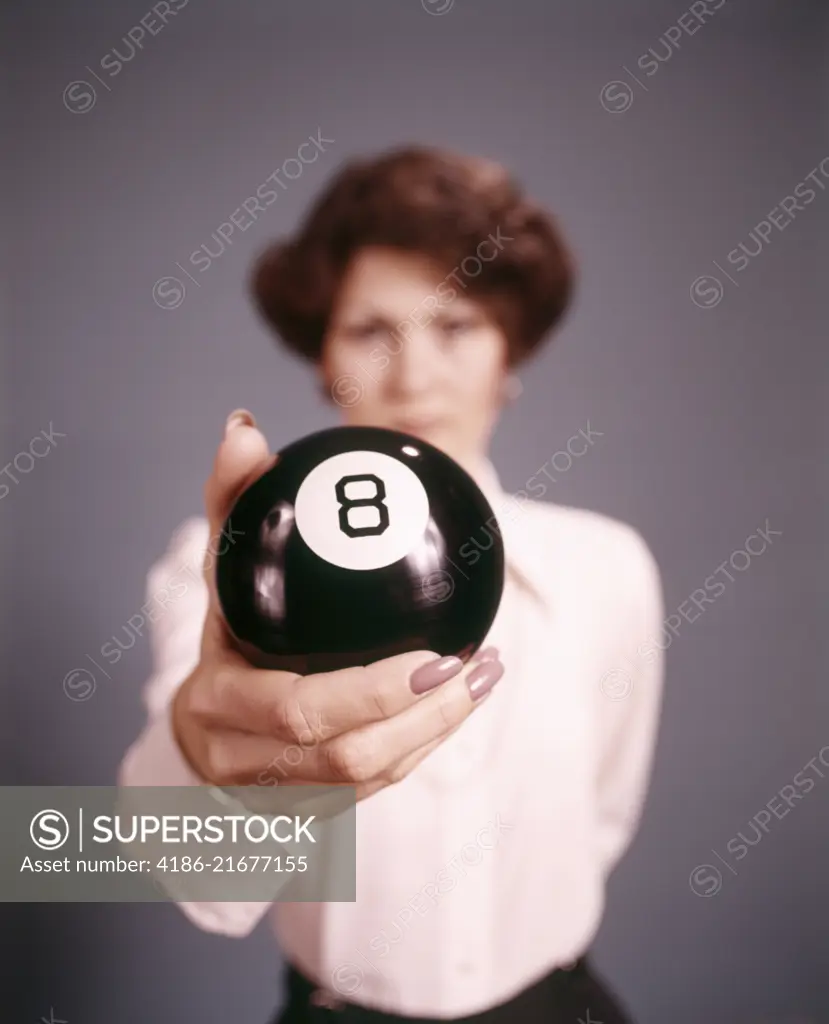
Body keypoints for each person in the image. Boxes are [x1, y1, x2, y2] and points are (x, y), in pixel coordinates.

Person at [119, 145, 665, 1024]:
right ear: (321, 357)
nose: (413, 374)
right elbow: (197, 873)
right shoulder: (216, 566)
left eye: (456, 328)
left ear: (509, 355)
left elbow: (601, 819)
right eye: (372, 331)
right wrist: (201, 743)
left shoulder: (605, 566)